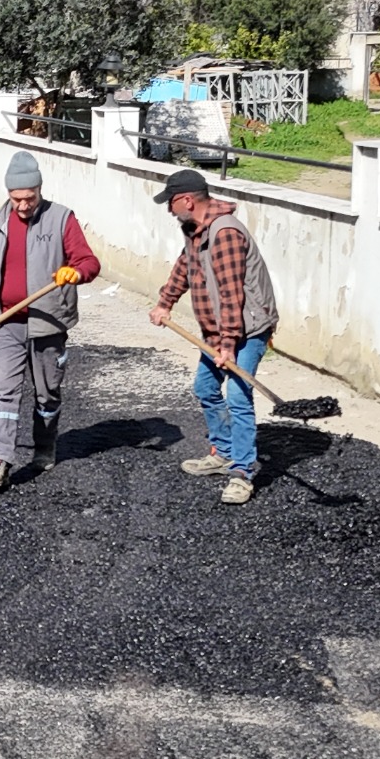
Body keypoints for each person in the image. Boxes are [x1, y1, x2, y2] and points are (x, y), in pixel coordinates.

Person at [0, 153, 101, 491]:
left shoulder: (61, 219)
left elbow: (90, 262)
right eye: (16, 199)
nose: (23, 206)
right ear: (8, 194)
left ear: (39, 190)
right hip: (6, 323)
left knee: (47, 394)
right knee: (3, 392)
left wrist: (76, 272)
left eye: (29, 198)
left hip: (48, 323)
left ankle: (44, 445)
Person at [146, 168, 278, 506]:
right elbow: (184, 269)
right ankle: (224, 451)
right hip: (220, 331)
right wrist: (164, 303)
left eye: (171, 203)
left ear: (187, 200)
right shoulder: (195, 231)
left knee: (237, 394)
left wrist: (229, 344)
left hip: (246, 330)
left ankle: (242, 472)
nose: (169, 210)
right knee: (205, 387)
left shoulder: (225, 234)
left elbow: (232, 294)